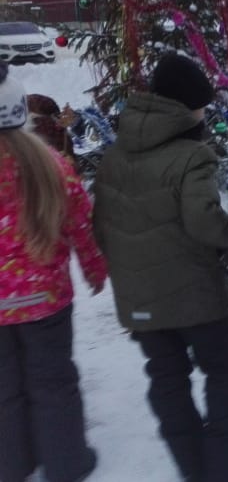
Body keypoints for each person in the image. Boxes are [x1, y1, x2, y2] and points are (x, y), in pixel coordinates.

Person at [91, 54, 228, 482]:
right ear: (186, 106)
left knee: (167, 382)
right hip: (198, 300)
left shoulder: (115, 154)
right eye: (202, 105)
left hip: (141, 303)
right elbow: (203, 221)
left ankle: (196, 473)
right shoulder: (193, 155)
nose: (204, 112)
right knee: (225, 376)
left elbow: (101, 229)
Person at [0, 62, 107, 482]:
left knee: (5, 390)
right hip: (46, 301)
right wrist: (96, 269)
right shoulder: (52, 166)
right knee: (54, 383)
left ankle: (12, 463)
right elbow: (82, 224)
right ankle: (67, 462)